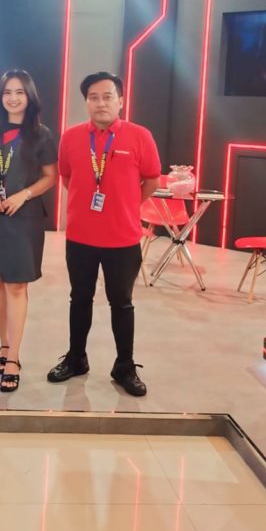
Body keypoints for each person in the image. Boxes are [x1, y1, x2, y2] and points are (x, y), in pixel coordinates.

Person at [47, 71, 161, 397]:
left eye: (108, 96)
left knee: (121, 303)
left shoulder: (140, 136)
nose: (101, 103)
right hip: (80, 237)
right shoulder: (70, 137)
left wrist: (126, 205)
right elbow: (67, 177)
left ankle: (124, 365)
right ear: (86, 102)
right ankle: (76, 358)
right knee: (80, 299)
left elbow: (152, 180)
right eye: (93, 97)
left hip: (122, 238)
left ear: (121, 101)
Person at [0, 69, 57, 392]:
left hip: (24, 219)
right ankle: (4, 345)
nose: (13, 98)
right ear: (1, 97)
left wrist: (24, 194)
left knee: (17, 286)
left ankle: (14, 359)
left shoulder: (41, 135)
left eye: (19, 92)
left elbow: (50, 177)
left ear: (29, 96)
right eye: (8, 92)